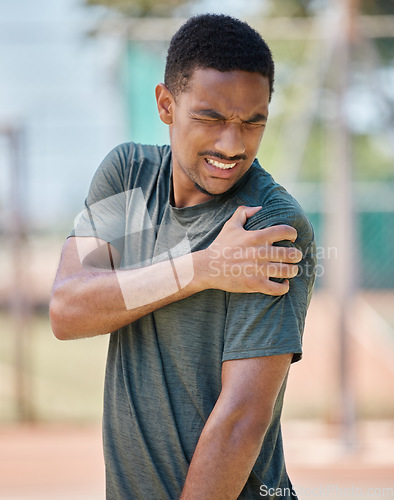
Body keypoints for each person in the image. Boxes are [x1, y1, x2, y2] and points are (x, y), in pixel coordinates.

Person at [50, 13, 316, 500]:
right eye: (211, 118)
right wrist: (200, 269)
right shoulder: (127, 175)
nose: (231, 144)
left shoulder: (270, 227)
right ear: (166, 104)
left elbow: (241, 421)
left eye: (252, 122)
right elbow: (68, 310)